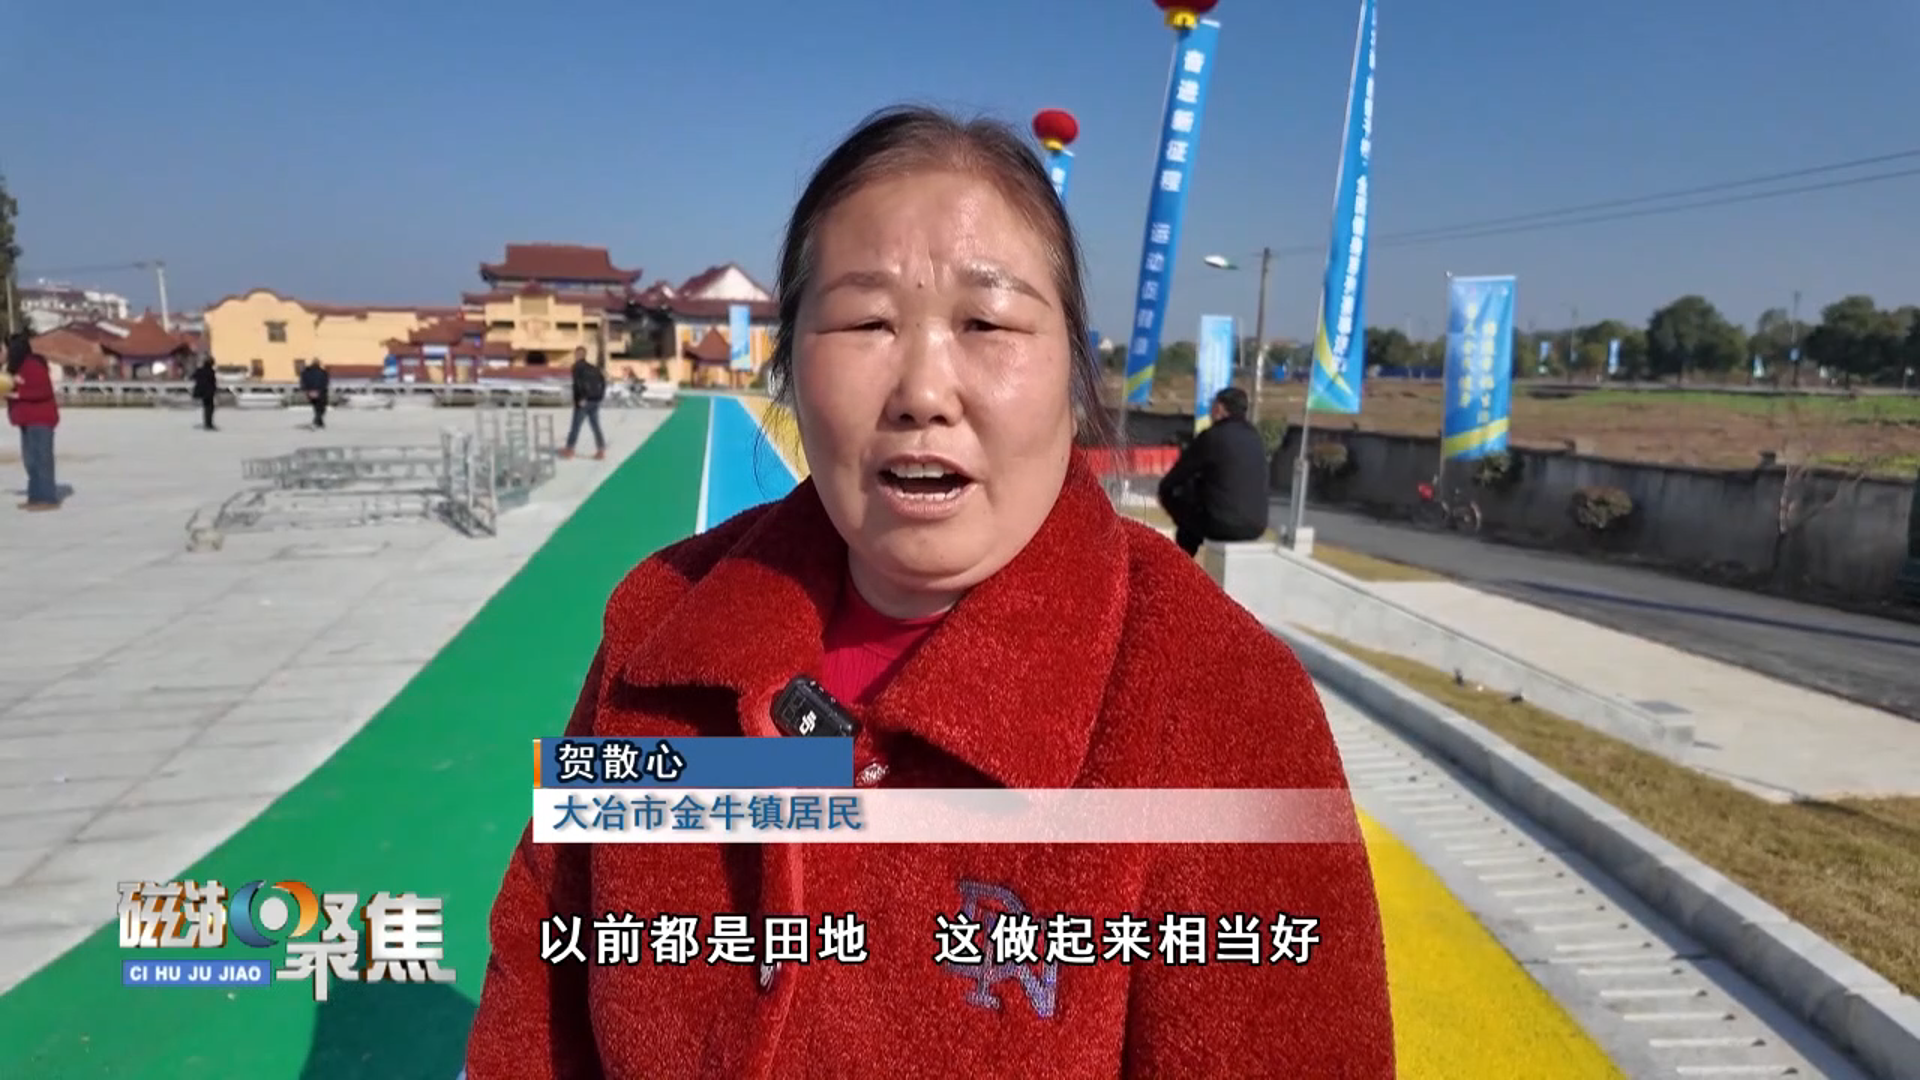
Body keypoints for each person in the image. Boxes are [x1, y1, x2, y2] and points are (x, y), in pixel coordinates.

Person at [465, 106, 1391, 1079]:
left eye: (987, 323)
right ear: (789, 365)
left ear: (1073, 372)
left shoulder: (1221, 699)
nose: (922, 391)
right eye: (866, 322)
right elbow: (541, 976)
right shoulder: (663, 626)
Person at [1156, 387, 1271, 556]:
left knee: (1181, 504)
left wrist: (1168, 493)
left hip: (1221, 525)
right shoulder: (1256, 438)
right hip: (1256, 526)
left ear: (1219, 408)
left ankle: (1183, 560)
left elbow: (1177, 476)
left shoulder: (1212, 436)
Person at [5, 331, 61, 511]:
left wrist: (17, 394)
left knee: (42, 459)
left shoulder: (33, 365)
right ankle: (35, 496)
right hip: (26, 420)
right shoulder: (16, 367)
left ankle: (47, 498)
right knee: (30, 461)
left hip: (41, 420)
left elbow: (43, 391)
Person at [561, 347, 606, 460]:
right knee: (595, 425)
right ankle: (601, 450)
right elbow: (603, 382)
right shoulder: (594, 368)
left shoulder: (577, 367)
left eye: (576, 354)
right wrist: (600, 396)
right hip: (595, 400)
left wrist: (581, 398)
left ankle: (569, 449)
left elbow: (578, 384)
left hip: (583, 401)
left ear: (579, 355)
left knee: (576, 426)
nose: (575, 356)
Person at [190, 357, 219, 431]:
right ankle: (208, 424)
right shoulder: (211, 371)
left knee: (206, 408)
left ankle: (207, 423)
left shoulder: (200, 370)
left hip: (202, 392)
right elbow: (213, 382)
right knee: (209, 408)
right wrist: (215, 390)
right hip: (208, 392)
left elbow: (192, 377)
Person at [299, 360, 330, 428]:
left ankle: (320, 423)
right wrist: (324, 389)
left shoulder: (306, 372)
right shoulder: (322, 372)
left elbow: (302, 381)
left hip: (310, 392)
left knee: (316, 407)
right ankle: (316, 421)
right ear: (318, 364)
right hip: (320, 392)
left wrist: (305, 389)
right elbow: (326, 382)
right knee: (321, 408)